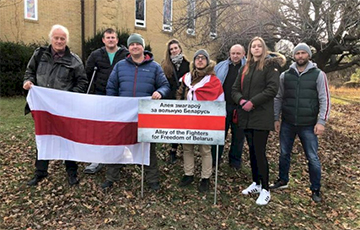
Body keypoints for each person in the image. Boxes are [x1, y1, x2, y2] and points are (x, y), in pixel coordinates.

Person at [102, 33, 170, 191]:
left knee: (147, 148)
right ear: (128, 47)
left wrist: (160, 92)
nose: (134, 47)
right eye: (132, 44)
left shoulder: (154, 67)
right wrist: (113, 104)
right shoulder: (120, 66)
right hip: (124, 114)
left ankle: (152, 179)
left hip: (145, 114)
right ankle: (111, 177)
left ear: (143, 47)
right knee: (118, 145)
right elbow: (111, 87)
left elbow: (165, 85)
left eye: (137, 44)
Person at [23, 24, 88, 186]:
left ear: (66, 40)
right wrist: (28, 82)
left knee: (67, 140)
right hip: (43, 108)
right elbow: (29, 72)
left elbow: (82, 82)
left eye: (62, 39)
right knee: (43, 138)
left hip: (64, 110)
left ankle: (72, 172)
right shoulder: (39, 55)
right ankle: (40, 172)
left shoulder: (74, 60)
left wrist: (69, 97)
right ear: (51, 38)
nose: (59, 41)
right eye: (56, 38)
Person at [270, 43, 331, 203]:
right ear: (294, 56)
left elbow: (324, 99)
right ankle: (283, 180)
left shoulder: (319, 75)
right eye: (298, 53)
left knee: (312, 157)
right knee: (284, 153)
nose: (300, 56)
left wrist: (321, 121)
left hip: (309, 124)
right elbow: (278, 97)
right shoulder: (286, 75)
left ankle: (315, 189)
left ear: (309, 56)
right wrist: (276, 118)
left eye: (304, 53)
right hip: (288, 122)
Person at [232, 36, 286, 205]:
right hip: (246, 116)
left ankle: (265, 189)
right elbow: (234, 89)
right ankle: (255, 182)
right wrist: (241, 101)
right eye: (253, 46)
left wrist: (253, 102)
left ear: (263, 49)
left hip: (261, 116)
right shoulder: (245, 67)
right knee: (252, 151)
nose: (256, 48)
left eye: (258, 46)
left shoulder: (270, 66)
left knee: (260, 152)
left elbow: (272, 89)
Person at [176, 49, 224, 193]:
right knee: (187, 148)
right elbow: (178, 94)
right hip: (187, 119)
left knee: (205, 149)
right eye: (198, 58)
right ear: (194, 61)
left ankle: (205, 177)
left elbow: (219, 102)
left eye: (203, 58)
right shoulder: (186, 78)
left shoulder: (213, 81)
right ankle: (188, 174)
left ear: (207, 61)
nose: (200, 60)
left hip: (205, 120)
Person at [83, 28, 128, 174]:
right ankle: (97, 159)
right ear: (103, 40)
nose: (110, 40)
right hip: (100, 97)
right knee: (100, 129)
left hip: (119, 97)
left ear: (117, 40)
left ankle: (118, 157)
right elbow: (87, 75)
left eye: (113, 37)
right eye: (108, 37)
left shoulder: (126, 54)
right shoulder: (96, 55)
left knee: (118, 128)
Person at [212, 44, 246, 170]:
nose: (235, 56)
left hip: (240, 107)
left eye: (238, 53)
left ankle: (235, 161)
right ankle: (215, 159)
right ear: (229, 54)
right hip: (222, 106)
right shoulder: (220, 66)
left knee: (238, 136)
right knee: (219, 134)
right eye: (233, 53)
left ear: (243, 54)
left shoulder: (248, 67)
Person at [161, 39, 190, 164]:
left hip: (184, 98)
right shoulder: (165, 65)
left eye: (175, 48)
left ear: (180, 49)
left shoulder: (188, 64)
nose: (173, 50)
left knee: (184, 125)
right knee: (174, 125)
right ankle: (173, 149)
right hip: (171, 98)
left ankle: (186, 150)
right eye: (171, 49)